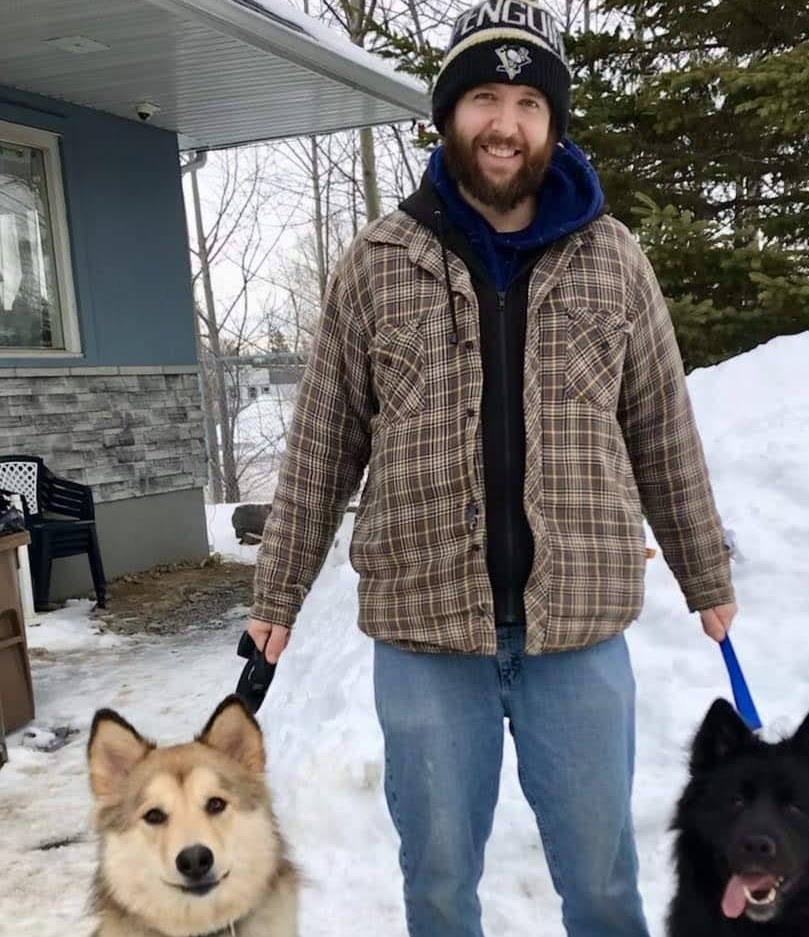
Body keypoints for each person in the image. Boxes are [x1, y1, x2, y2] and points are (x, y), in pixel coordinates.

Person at [247, 2, 736, 935]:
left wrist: (702, 571)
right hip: (427, 639)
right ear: (447, 116)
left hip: (580, 638)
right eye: (482, 97)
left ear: (552, 124)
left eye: (526, 102)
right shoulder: (375, 264)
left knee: (601, 886)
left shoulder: (614, 261)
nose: (503, 124)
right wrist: (277, 593)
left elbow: (662, 430)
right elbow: (319, 447)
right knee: (435, 889)